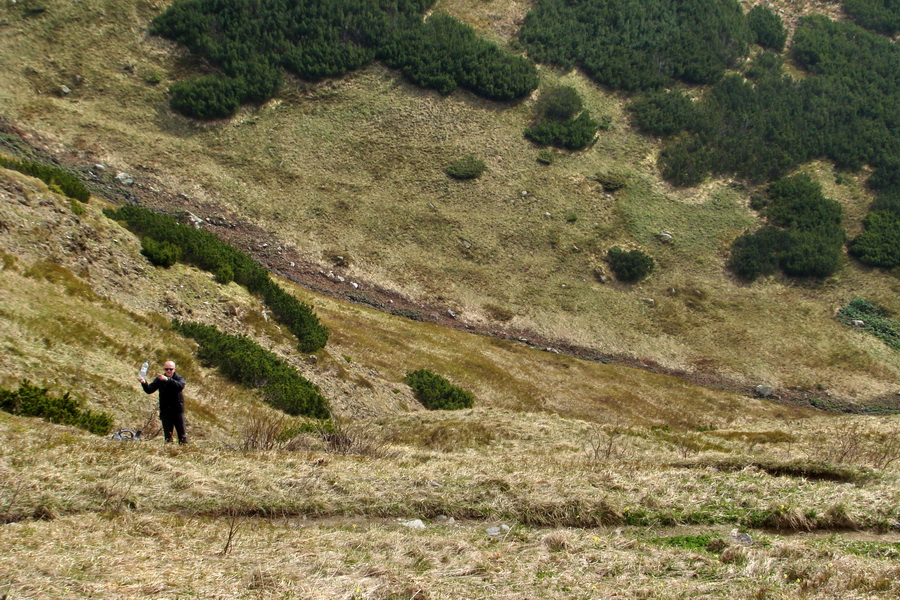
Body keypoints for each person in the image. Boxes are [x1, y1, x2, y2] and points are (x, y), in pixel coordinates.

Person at [138, 360, 188, 444]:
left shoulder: (179, 378)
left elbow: (180, 386)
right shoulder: (159, 379)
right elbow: (149, 390)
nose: (168, 371)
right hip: (165, 410)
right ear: (164, 369)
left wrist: (167, 380)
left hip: (177, 410)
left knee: (182, 434)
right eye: (166, 369)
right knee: (168, 435)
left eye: (170, 369)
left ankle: (184, 450)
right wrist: (144, 383)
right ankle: (169, 451)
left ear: (174, 369)